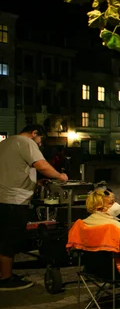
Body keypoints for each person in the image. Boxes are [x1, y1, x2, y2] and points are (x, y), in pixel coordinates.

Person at [0, 124, 68, 291]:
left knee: (2, 236)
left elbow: (12, 172)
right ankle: (5, 279)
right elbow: (41, 165)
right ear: (34, 133)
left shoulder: (5, 143)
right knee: (10, 240)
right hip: (14, 200)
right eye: (40, 140)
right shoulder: (26, 142)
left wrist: (36, 183)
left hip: (2, 197)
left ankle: (4, 273)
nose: (39, 144)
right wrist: (60, 176)